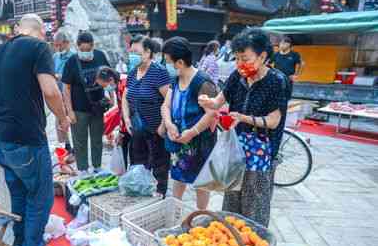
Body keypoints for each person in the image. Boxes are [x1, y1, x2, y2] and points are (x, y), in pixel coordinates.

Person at [0, 14, 70, 246]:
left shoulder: (1, 50)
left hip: (0, 138)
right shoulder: (39, 47)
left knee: (20, 195)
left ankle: (23, 242)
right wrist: (63, 117)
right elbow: (50, 90)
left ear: (18, 29)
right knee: (40, 196)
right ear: (42, 31)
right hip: (26, 137)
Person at [198, 28, 289, 227]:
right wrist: (207, 101)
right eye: (237, 58)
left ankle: (254, 244)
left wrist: (244, 118)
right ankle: (230, 235)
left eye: (245, 58)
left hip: (261, 150)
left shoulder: (277, 81)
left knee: (255, 200)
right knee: (232, 195)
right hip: (236, 147)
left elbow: (273, 121)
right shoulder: (236, 77)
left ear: (263, 56)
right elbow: (218, 102)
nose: (240, 64)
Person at [161, 37, 219, 210]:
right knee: (178, 178)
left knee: (202, 183)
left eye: (168, 61)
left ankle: (201, 215)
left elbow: (212, 113)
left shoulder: (203, 82)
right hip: (179, 140)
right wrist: (169, 124)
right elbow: (166, 105)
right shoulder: (176, 79)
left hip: (200, 142)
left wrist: (192, 132)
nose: (167, 65)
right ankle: (175, 211)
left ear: (179, 62)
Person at [124, 37, 171, 197]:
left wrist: (164, 125)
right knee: (138, 162)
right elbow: (126, 96)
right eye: (131, 52)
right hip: (137, 128)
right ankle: (141, 191)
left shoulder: (159, 71)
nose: (133, 56)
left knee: (159, 164)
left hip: (156, 128)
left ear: (148, 52)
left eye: (136, 52)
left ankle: (159, 195)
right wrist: (127, 119)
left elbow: (169, 100)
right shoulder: (132, 73)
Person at [62, 31, 110, 174]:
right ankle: (82, 169)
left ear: (93, 46)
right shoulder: (72, 61)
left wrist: (111, 95)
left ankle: (97, 166)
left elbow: (109, 76)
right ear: (77, 47)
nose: (85, 53)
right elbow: (66, 87)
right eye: (82, 50)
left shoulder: (100, 56)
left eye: (88, 50)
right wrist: (69, 111)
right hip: (78, 109)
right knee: (79, 140)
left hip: (97, 106)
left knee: (97, 138)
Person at [96, 66, 133, 168]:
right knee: (123, 146)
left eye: (105, 86)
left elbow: (127, 110)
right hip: (128, 123)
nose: (105, 88)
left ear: (111, 79)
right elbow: (121, 110)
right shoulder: (119, 83)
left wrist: (122, 132)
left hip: (133, 123)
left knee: (133, 152)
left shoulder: (123, 84)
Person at [53, 30, 74, 152]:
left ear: (66, 43)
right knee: (59, 120)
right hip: (58, 94)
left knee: (72, 119)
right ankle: (65, 145)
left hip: (71, 94)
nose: (58, 47)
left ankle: (76, 145)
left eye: (60, 45)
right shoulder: (55, 57)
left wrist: (61, 76)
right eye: (56, 45)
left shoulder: (73, 57)